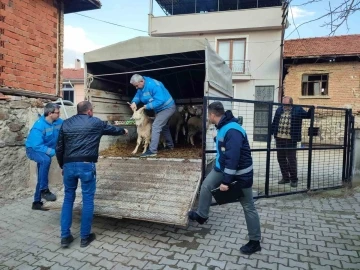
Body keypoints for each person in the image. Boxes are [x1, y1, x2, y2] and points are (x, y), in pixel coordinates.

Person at [188, 101, 262, 255]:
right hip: (223, 167)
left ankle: (255, 241)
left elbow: (233, 158)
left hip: (241, 174)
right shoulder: (222, 127)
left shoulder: (232, 130)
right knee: (206, 185)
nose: (207, 118)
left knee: (248, 206)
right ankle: (202, 215)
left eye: (208, 115)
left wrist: (226, 182)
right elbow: (225, 148)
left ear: (212, 115)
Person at [56, 101, 128, 248]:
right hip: (86, 166)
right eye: (92, 110)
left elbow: (59, 147)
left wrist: (62, 165)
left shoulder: (66, 123)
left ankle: (65, 237)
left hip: (69, 165)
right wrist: (124, 131)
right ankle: (84, 237)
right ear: (89, 111)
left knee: (68, 199)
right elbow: (112, 129)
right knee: (88, 200)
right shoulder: (95, 122)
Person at [25, 103, 63, 210]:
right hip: (33, 150)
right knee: (45, 160)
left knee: (42, 171)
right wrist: (54, 151)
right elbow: (36, 145)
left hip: (44, 149)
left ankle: (36, 202)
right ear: (50, 113)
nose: (59, 114)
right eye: (57, 112)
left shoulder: (58, 122)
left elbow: (67, 126)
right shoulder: (39, 126)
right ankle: (44, 190)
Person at [128, 74, 176, 157]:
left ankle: (152, 150)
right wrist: (134, 102)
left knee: (156, 125)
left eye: (136, 86)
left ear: (141, 81)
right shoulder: (141, 86)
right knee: (164, 126)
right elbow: (138, 95)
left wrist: (146, 106)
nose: (136, 88)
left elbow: (160, 100)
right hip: (158, 109)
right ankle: (170, 146)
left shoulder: (154, 85)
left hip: (167, 107)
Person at [271, 96, 314, 187]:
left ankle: (294, 179)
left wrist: (312, 108)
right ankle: (285, 177)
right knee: (281, 159)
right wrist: (271, 133)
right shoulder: (279, 110)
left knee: (291, 160)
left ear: (291, 103)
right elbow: (275, 122)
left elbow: (308, 116)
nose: (285, 106)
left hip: (291, 139)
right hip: (279, 138)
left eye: (287, 104)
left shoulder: (298, 109)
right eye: (283, 104)